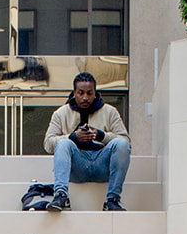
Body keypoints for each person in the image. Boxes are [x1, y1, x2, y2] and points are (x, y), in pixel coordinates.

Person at [42, 73, 131, 212]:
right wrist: (72, 137)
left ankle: (113, 199)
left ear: (95, 93)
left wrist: (102, 135)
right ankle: (60, 196)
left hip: (102, 163)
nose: (85, 97)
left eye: (89, 93)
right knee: (64, 144)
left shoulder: (110, 111)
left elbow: (125, 141)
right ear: (74, 93)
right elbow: (48, 144)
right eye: (81, 93)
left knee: (121, 144)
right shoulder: (60, 113)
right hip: (77, 166)